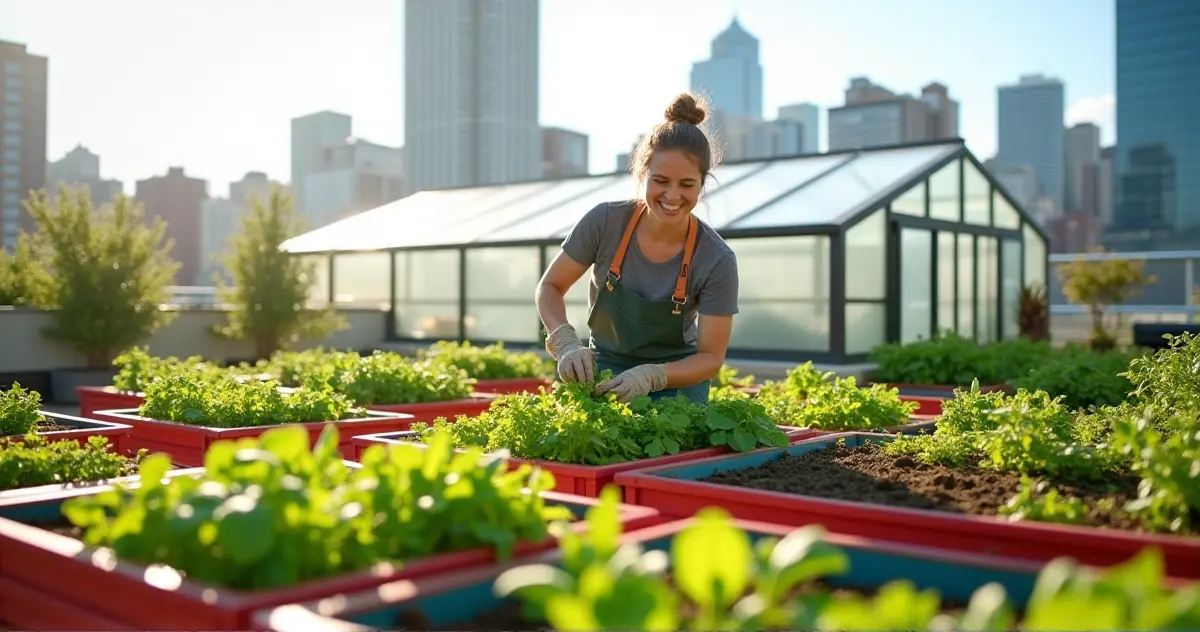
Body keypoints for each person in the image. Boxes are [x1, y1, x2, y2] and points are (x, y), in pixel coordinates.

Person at [535, 92, 739, 404]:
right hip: (599, 375)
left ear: (702, 183)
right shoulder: (605, 222)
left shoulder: (716, 259)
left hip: (675, 385)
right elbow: (550, 286)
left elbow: (710, 357)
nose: (672, 195)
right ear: (642, 174)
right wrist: (565, 344)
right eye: (660, 181)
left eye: (687, 184)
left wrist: (652, 375)